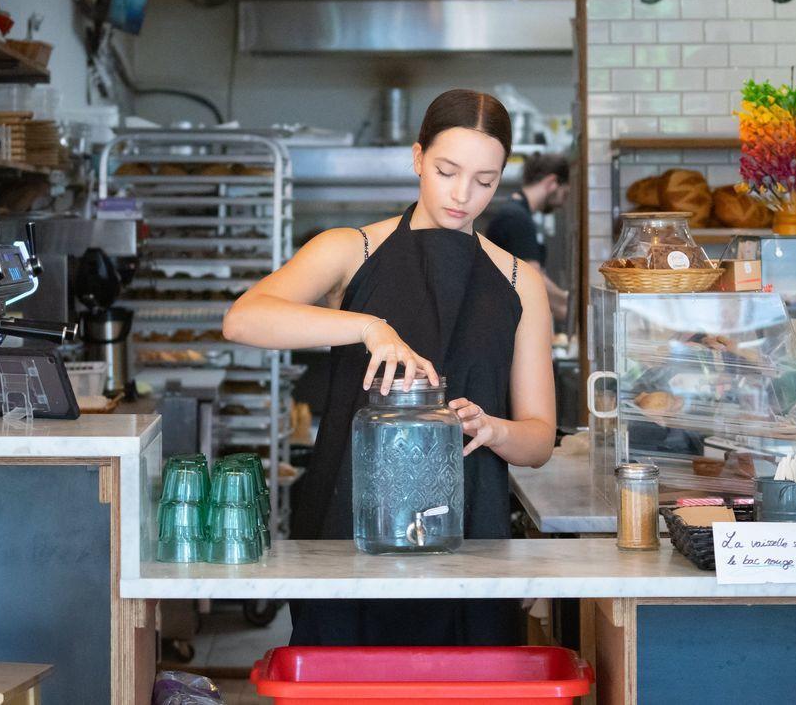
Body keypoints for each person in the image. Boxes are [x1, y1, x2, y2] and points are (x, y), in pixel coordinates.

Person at [223, 89, 556, 646]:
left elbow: (540, 440)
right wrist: (366, 327)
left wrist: (494, 430)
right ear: (417, 158)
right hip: (346, 531)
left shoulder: (521, 283)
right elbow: (242, 320)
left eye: (485, 181)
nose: (462, 195)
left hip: (471, 537)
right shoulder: (348, 249)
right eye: (447, 171)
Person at [484, 152, 571, 323]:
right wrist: (567, 302)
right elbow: (534, 278)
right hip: (503, 321)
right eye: (565, 194)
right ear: (552, 183)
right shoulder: (517, 218)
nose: (562, 203)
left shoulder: (516, 212)